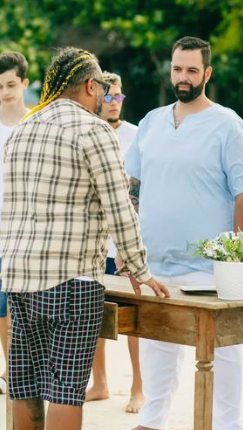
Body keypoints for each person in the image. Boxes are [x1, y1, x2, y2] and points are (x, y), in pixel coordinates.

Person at [0, 46, 169, 430]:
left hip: (18, 278)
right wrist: (140, 269)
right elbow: (120, 207)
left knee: (24, 387)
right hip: (71, 282)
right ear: (91, 86)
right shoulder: (94, 130)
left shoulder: (22, 129)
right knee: (65, 390)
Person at [124, 36, 243, 430]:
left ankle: (227, 425)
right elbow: (133, 187)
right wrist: (133, 253)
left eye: (191, 71)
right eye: (177, 69)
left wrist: (233, 255)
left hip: (208, 266)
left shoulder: (228, 125)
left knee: (225, 354)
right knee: (156, 347)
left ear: (207, 73)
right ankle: (153, 420)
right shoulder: (151, 122)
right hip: (155, 261)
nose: (182, 78)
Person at [86, 71, 145, 414]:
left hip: (127, 243)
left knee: (134, 321)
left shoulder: (137, 136)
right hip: (95, 245)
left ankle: (138, 387)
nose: (114, 103)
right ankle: (101, 383)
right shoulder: (87, 133)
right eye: (108, 97)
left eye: (119, 97)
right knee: (94, 317)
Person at [0, 51, 30, 395]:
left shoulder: (34, 122)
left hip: (24, 226)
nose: (6, 92)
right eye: (0, 86)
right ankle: (11, 369)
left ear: (24, 83)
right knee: (1, 303)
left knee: (19, 301)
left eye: (11, 84)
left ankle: (19, 370)